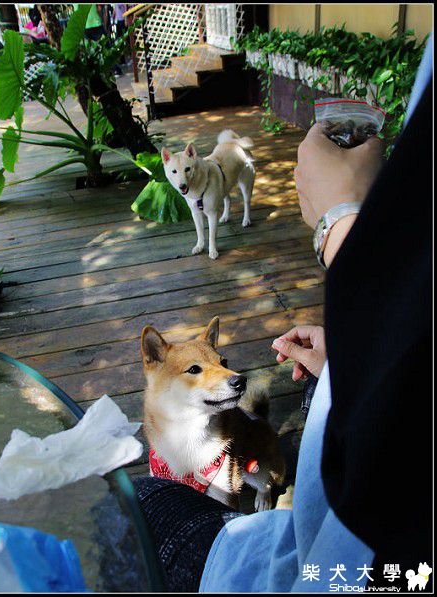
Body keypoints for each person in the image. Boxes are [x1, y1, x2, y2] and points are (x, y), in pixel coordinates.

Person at [132, 36, 432, 593]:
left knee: (143, 501)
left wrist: (341, 221)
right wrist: (349, 353)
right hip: (341, 519)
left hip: (340, 562)